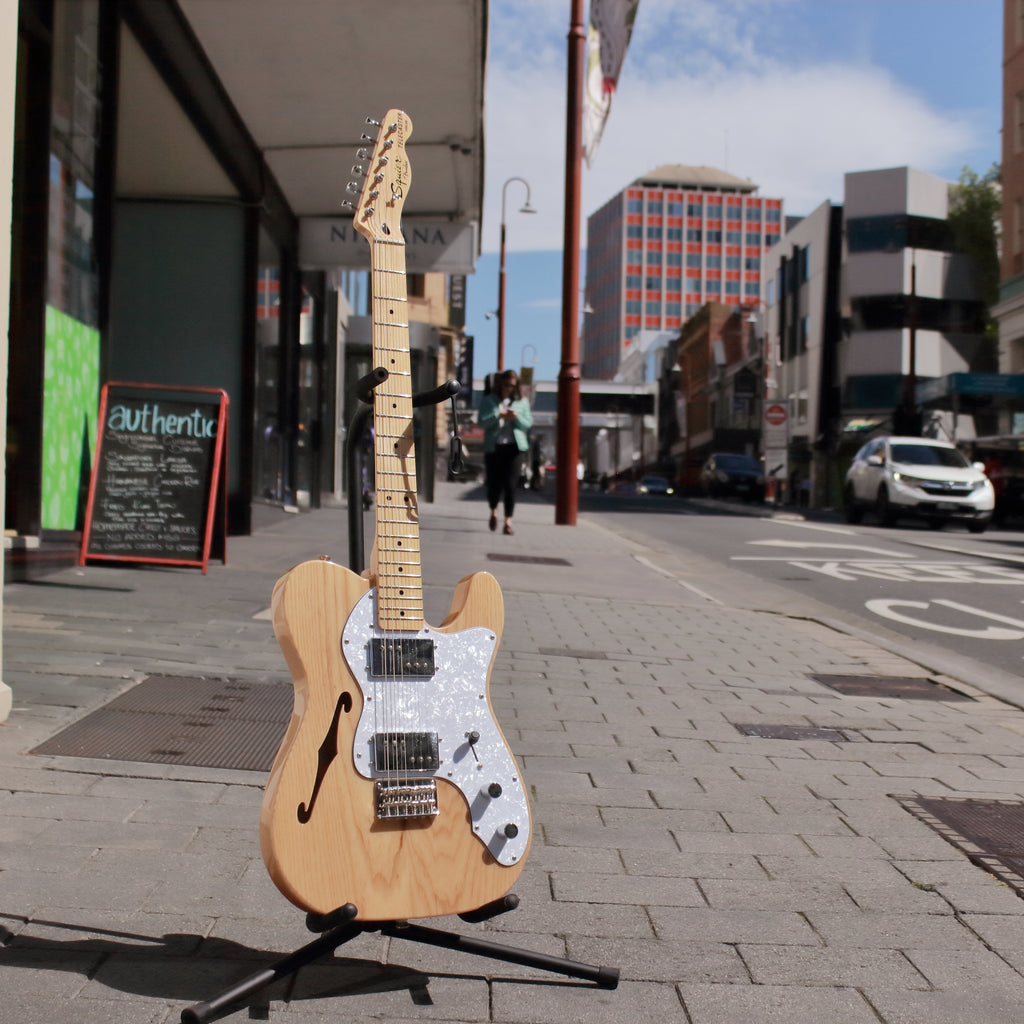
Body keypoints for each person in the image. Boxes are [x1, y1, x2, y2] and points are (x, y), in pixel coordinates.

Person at [478, 369, 533, 535]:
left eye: (512, 386)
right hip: (494, 447)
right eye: (506, 385)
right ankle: (493, 511)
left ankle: (508, 522)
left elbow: (527, 424)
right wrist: (498, 416)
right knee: (494, 484)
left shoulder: (522, 401)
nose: (508, 388)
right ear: (499, 384)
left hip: (514, 448)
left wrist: (515, 417)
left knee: (510, 486)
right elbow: (482, 422)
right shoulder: (489, 401)